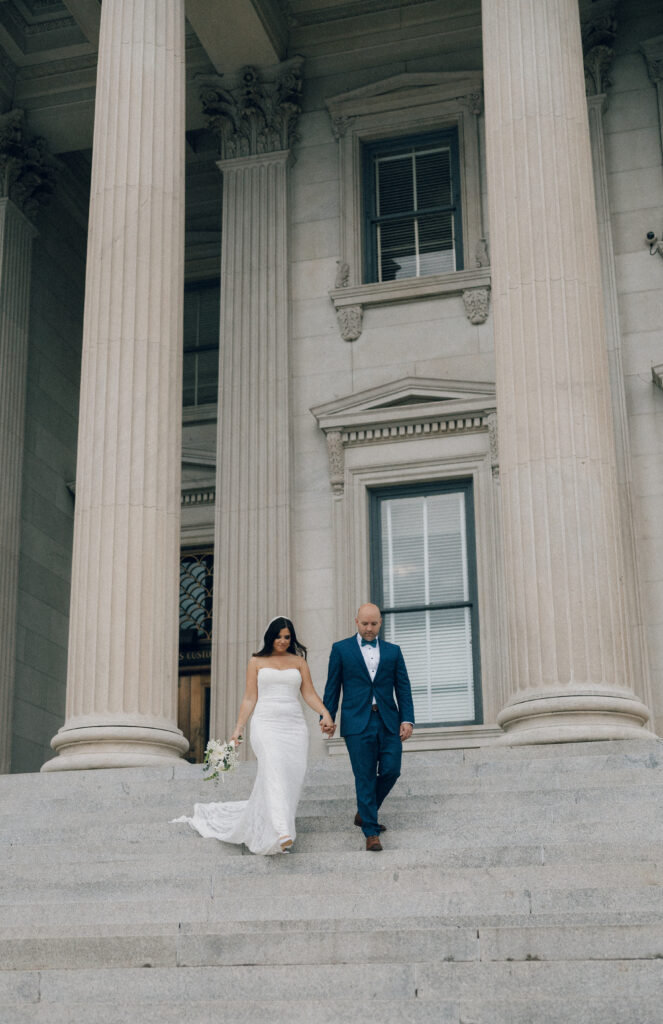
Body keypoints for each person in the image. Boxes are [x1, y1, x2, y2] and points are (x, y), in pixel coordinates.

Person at [172, 616, 334, 855]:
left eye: (287, 637)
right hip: (266, 724)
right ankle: (282, 831)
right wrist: (238, 728)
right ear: (270, 637)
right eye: (278, 636)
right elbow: (250, 697)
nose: (283, 641)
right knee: (274, 769)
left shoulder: (299, 662)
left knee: (292, 777)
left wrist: (325, 713)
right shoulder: (256, 662)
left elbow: (309, 693)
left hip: (294, 726)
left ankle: (278, 826)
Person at [322, 603, 414, 852]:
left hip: (388, 720)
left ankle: (365, 811)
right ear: (356, 622)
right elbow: (333, 686)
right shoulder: (341, 649)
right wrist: (328, 716)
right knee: (363, 775)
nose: (369, 628)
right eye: (365, 624)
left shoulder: (393, 652)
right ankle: (371, 832)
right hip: (356, 721)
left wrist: (407, 719)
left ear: (380, 623)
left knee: (392, 770)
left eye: (374, 624)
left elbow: (402, 687)